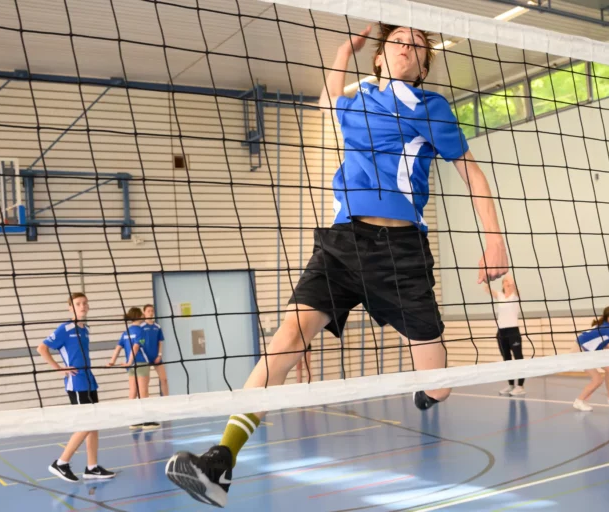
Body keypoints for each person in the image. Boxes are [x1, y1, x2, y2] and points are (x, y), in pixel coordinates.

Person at [165, 22, 508, 508]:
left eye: (417, 45)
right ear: (380, 55)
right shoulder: (357, 102)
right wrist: (343, 51)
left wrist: (495, 241)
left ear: (424, 64)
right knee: (286, 337)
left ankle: (428, 393)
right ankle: (220, 461)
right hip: (341, 244)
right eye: (397, 40)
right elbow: (329, 100)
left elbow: (473, 176)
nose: (407, 47)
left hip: (400, 251)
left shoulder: (432, 110)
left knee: (440, 384)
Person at [37, 292, 116, 482]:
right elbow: (42, 348)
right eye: (78, 303)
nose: (82, 306)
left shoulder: (85, 329)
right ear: (70, 307)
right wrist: (59, 368)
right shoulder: (65, 328)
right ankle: (61, 462)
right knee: (87, 423)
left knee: (94, 424)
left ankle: (92, 467)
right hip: (76, 382)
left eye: (85, 303)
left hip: (89, 379)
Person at [573, 306, 609, 412]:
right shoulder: (608, 329)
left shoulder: (606, 327)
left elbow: (604, 344)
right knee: (597, 379)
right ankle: (579, 401)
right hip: (580, 351)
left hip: (589, 351)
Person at [108, 307, 159, 430]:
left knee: (133, 392)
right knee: (143, 392)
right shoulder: (140, 331)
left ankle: (133, 420)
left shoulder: (126, 332)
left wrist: (112, 361)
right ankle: (146, 421)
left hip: (130, 366)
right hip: (140, 363)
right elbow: (136, 347)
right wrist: (130, 361)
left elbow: (118, 347)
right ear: (139, 316)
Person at [483, 273, 525, 396]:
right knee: (506, 359)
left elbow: (514, 286)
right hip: (501, 332)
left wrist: (510, 280)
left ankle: (520, 386)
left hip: (513, 331)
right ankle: (511, 384)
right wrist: (486, 278)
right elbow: (487, 289)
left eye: (509, 281)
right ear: (503, 284)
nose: (507, 283)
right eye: (505, 281)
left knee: (518, 358)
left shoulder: (515, 296)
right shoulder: (500, 296)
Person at [142, 304, 169, 397]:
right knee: (145, 382)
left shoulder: (157, 326)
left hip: (156, 357)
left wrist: (160, 355)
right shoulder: (141, 327)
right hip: (145, 358)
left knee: (164, 379)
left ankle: (167, 399)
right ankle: (146, 402)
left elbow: (160, 342)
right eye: (148, 311)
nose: (150, 313)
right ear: (144, 313)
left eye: (152, 311)